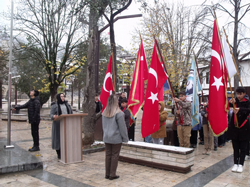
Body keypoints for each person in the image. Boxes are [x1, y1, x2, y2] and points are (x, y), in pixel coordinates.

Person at [102, 94, 128, 180]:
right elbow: (122, 128)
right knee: (114, 156)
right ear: (116, 102)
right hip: (116, 138)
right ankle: (112, 174)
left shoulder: (104, 112)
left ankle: (107, 173)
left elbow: (103, 126)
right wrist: (125, 139)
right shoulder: (119, 113)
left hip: (107, 137)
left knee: (108, 155)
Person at [228, 87, 250, 173]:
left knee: (243, 148)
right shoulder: (235, 101)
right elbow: (227, 107)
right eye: (237, 94)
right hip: (234, 129)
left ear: (244, 94)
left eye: (240, 94)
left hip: (244, 128)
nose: (239, 96)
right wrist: (230, 103)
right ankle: (235, 163)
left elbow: (248, 110)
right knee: (235, 147)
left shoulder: (247, 102)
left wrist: (240, 110)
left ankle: (241, 164)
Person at [50, 93, 72, 159]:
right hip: (58, 124)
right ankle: (59, 153)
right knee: (58, 138)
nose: (63, 97)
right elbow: (51, 114)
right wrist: (53, 116)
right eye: (61, 96)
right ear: (58, 97)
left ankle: (66, 151)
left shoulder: (67, 104)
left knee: (66, 138)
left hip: (67, 124)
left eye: (63, 96)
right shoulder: (54, 106)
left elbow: (71, 113)